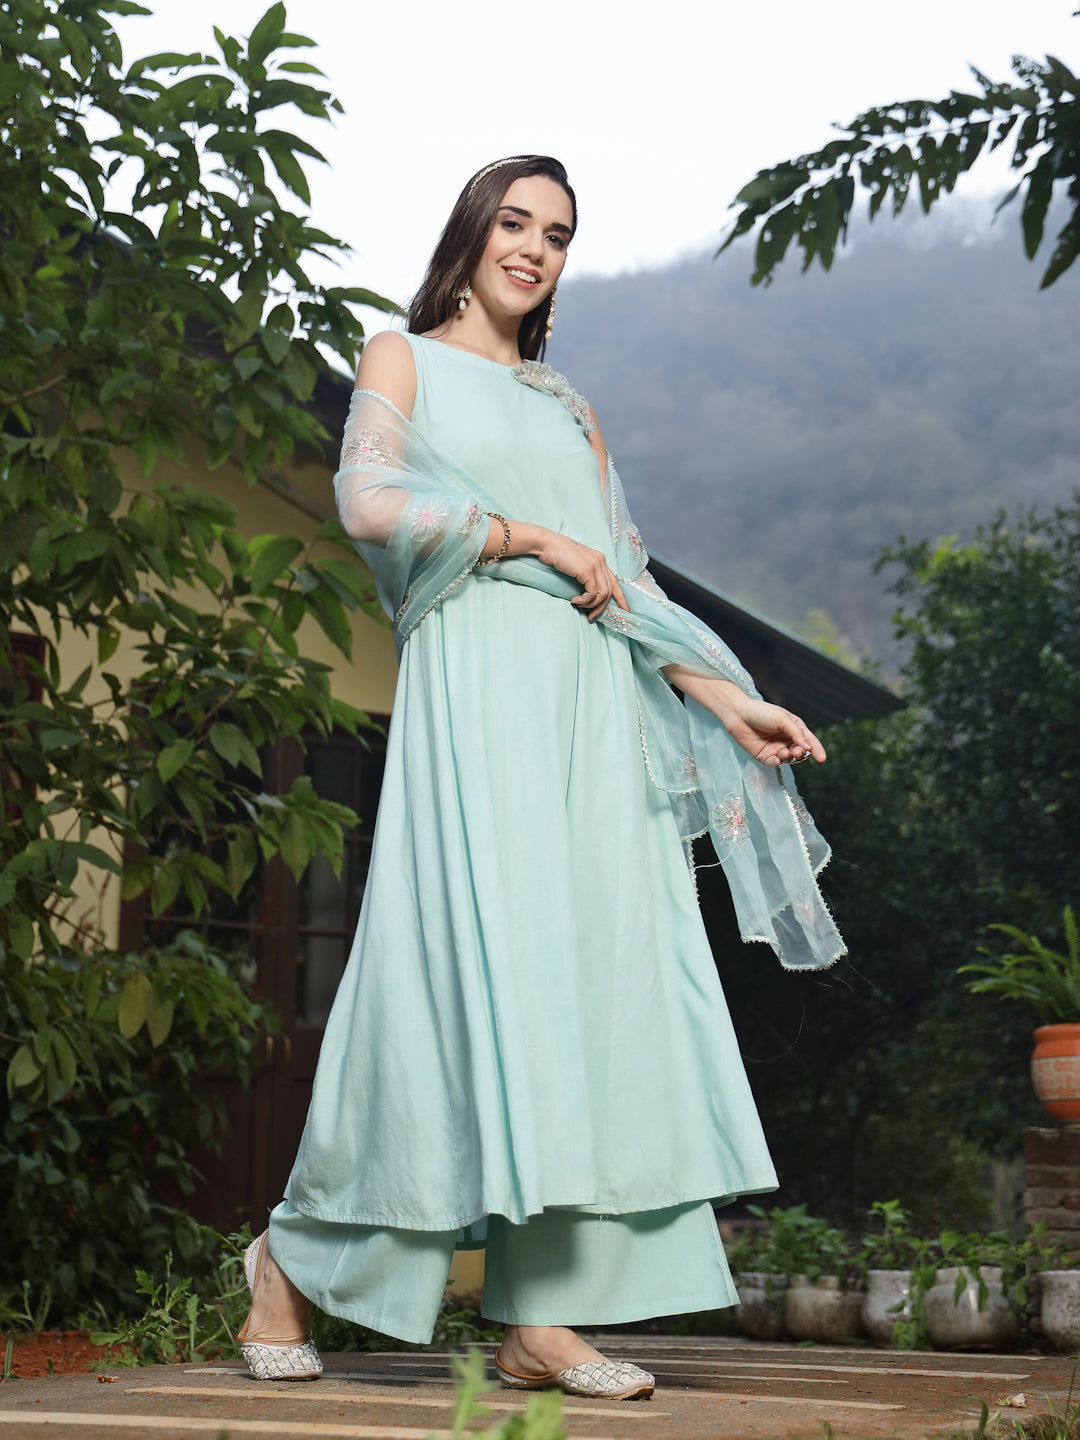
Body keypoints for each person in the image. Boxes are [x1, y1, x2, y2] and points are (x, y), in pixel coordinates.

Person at [236, 155, 843, 1399]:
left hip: (591, 722)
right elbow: (368, 501)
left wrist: (733, 701)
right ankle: (289, 1264)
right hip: (476, 704)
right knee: (434, 987)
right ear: (470, 235)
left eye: (557, 233)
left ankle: (543, 1319)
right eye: (514, 222)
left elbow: (630, 583)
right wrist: (531, 538)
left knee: (587, 996)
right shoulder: (402, 358)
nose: (534, 247)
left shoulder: (572, 409)